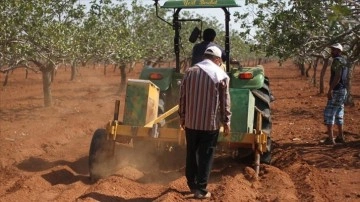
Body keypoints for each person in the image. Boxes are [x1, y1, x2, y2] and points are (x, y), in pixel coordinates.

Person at [179, 46, 231, 199]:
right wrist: (226, 120)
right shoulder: (220, 75)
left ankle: (192, 184)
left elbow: (182, 96)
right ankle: (201, 189)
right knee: (206, 155)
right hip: (210, 124)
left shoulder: (190, 72)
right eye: (220, 60)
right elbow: (224, 101)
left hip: (191, 123)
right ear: (217, 59)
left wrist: (182, 116)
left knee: (191, 153)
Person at [323, 43, 348, 145]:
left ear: (339, 51)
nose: (332, 51)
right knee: (339, 113)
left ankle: (330, 139)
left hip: (337, 90)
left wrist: (330, 90)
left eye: (334, 50)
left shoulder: (337, 61)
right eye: (332, 49)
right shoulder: (344, 60)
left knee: (329, 113)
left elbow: (337, 77)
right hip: (343, 90)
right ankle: (340, 137)